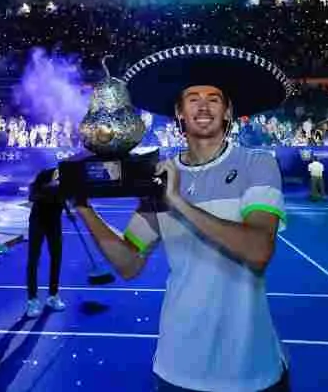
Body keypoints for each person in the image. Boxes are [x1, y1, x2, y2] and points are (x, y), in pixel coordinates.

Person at [77, 45, 292, 392]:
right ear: (179, 112)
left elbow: (259, 250)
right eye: (192, 98)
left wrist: (177, 201)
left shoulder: (257, 164)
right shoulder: (161, 176)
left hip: (252, 370)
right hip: (178, 368)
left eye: (213, 98)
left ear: (228, 111)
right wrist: (84, 207)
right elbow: (129, 263)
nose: (203, 106)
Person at [24, 168, 67, 318]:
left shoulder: (64, 182)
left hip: (54, 223)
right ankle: (32, 300)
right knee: (33, 260)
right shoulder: (41, 180)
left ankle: (53, 296)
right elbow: (33, 197)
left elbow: (64, 200)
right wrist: (52, 188)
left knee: (56, 258)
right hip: (38, 222)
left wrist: (68, 211)